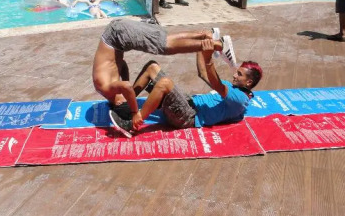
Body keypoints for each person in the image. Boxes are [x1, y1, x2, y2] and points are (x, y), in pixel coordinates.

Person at [93, 19, 237, 136]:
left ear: (118, 103)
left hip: (118, 34)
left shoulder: (104, 87)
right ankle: (207, 35)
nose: (128, 98)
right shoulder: (111, 86)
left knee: (165, 45)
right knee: (165, 39)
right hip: (117, 33)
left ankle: (219, 45)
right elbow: (123, 66)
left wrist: (135, 112)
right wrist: (127, 85)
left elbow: (127, 87)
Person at [109, 38, 263, 136]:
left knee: (165, 83)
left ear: (249, 82)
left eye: (239, 74)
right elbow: (204, 74)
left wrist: (208, 58)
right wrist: (201, 46)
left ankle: (132, 124)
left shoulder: (240, 99)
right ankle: (126, 104)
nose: (235, 75)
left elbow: (216, 84)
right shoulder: (233, 88)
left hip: (189, 117)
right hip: (188, 103)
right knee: (152, 67)